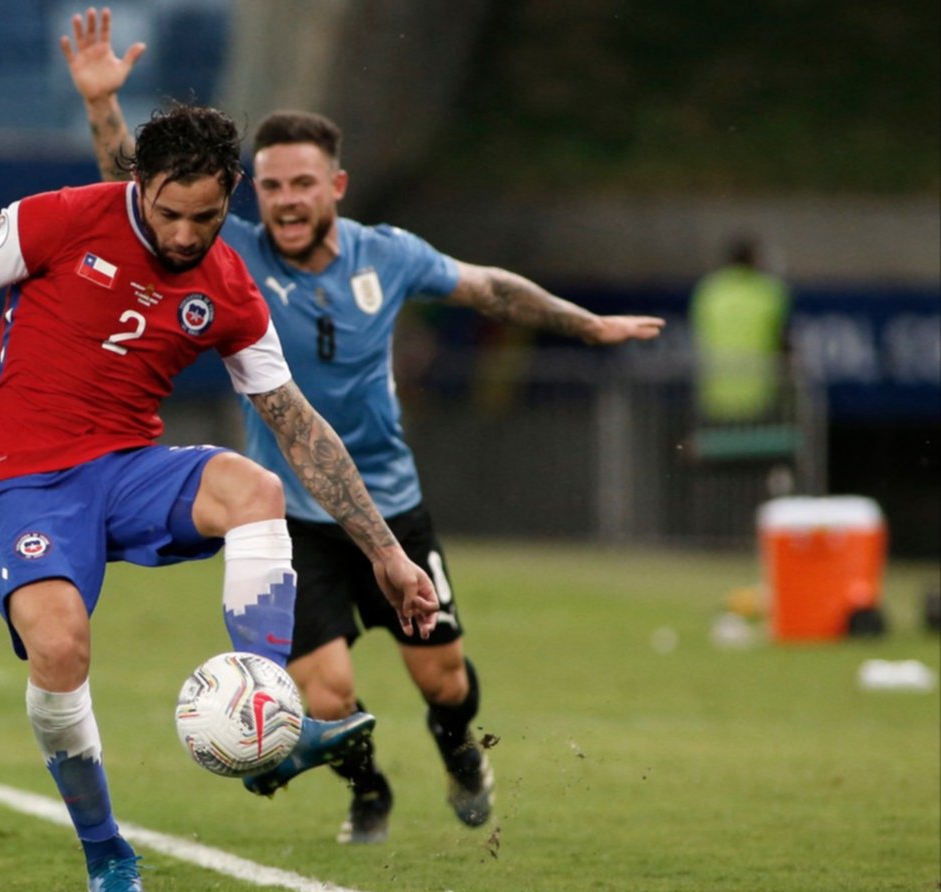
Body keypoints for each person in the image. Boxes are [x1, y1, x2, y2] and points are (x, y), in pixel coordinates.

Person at [61, 7, 665, 845]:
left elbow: (488, 286)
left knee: (445, 680)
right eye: (269, 186)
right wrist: (102, 105)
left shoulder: (388, 254)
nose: (285, 201)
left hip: (390, 505)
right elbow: (136, 194)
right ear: (251, 192)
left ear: (335, 186)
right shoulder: (227, 251)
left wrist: (588, 325)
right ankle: (369, 790)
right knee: (330, 692)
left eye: (301, 184)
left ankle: (460, 754)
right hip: (293, 523)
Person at [0, 102, 439, 892]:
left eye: (208, 217)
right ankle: (108, 852)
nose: (185, 235)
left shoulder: (229, 287)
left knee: (254, 489)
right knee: (60, 645)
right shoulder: (64, 218)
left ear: (232, 198)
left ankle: (264, 721)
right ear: (139, 185)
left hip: (129, 468)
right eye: (169, 213)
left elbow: (296, 425)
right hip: (24, 477)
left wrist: (388, 554)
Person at [689, 234, 791, 426]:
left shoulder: (709, 290)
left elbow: (700, 334)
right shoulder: (768, 292)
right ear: (754, 260)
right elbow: (783, 339)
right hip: (759, 395)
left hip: (715, 395)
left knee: (719, 451)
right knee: (760, 451)